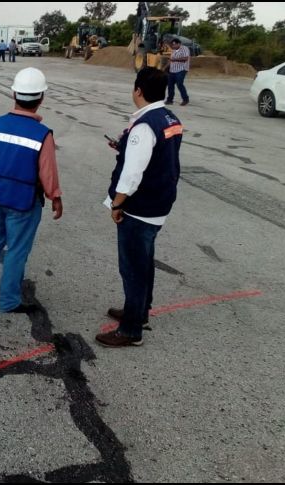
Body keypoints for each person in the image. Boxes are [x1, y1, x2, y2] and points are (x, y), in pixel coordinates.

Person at [96, 67, 183, 348]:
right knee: (144, 261)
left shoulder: (145, 126)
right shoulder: (170, 118)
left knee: (133, 267)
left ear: (138, 91)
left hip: (140, 206)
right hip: (160, 201)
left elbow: (132, 175)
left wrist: (117, 203)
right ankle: (140, 310)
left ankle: (131, 330)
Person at [0, 67, 63, 313]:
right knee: (16, 251)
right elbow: (48, 173)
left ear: (14, 94)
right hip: (23, 202)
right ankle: (9, 301)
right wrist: (55, 197)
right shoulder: (43, 134)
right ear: (41, 98)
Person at [166, 38, 190, 106]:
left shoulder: (184, 49)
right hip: (172, 70)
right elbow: (171, 60)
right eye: (172, 45)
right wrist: (164, 68)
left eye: (174, 44)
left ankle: (185, 99)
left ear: (179, 43)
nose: (173, 46)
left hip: (181, 70)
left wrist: (174, 59)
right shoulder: (173, 50)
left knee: (179, 84)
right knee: (170, 85)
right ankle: (170, 100)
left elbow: (185, 58)